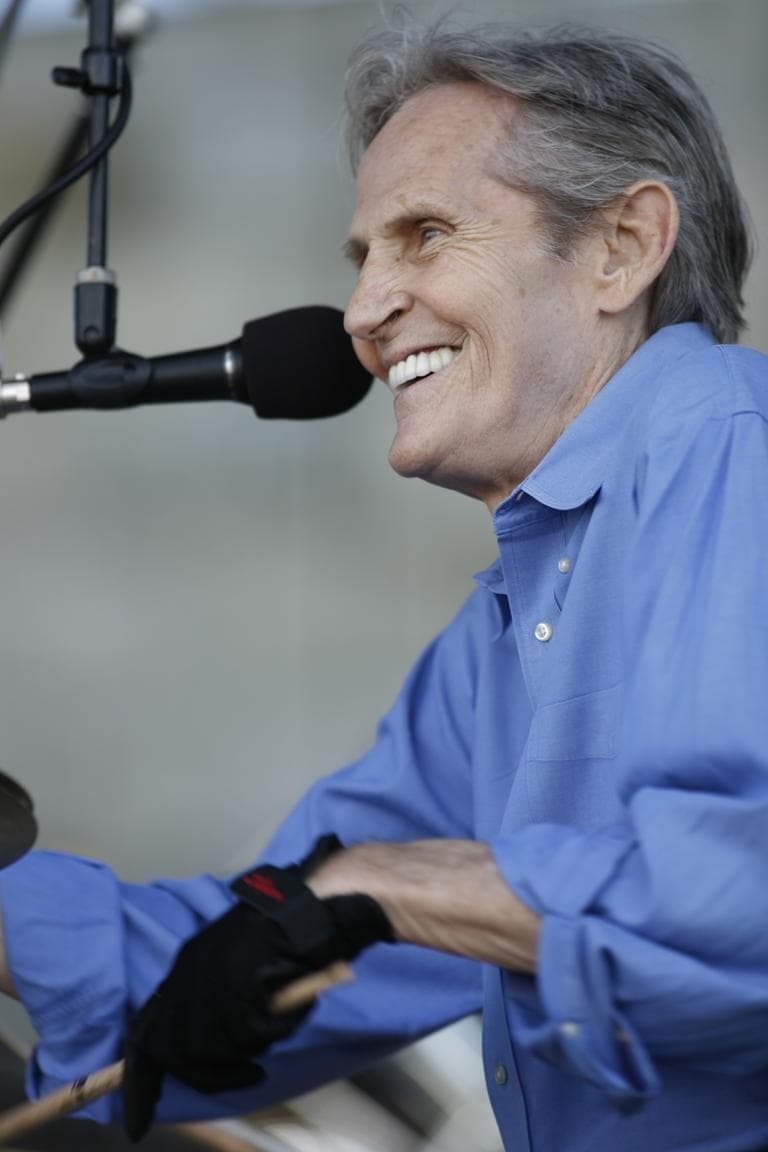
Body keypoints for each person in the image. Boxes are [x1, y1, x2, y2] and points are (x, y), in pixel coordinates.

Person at [1, 18, 767, 1152]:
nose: (364, 313)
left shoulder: (728, 444)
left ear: (622, 245)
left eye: (424, 234)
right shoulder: (502, 620)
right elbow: (264, 948)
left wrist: (382, 886)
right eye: (363, 259)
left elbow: (737, 907)